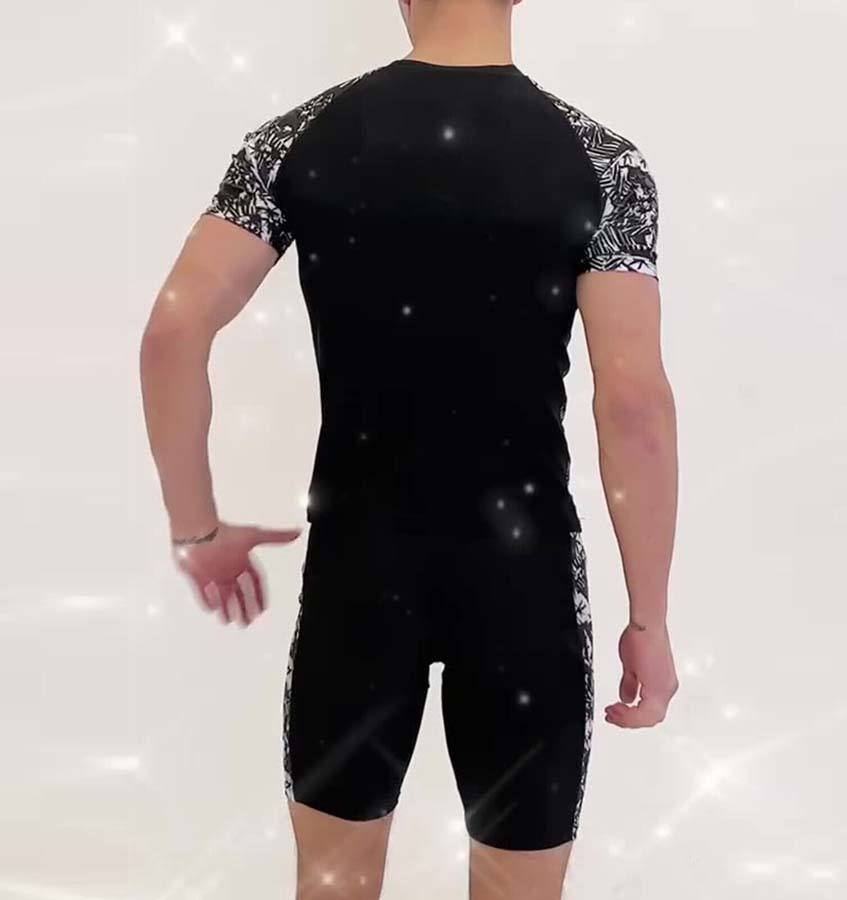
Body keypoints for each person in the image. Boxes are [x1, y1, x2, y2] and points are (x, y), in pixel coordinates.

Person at [139, 0, 679, 896]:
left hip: (359, 575)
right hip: (525, 584)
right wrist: (649, 621)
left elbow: (172, 332)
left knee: (334, 882)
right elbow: (635, 409)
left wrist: (196, 528)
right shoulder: (604, 164)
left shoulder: (294, 140)